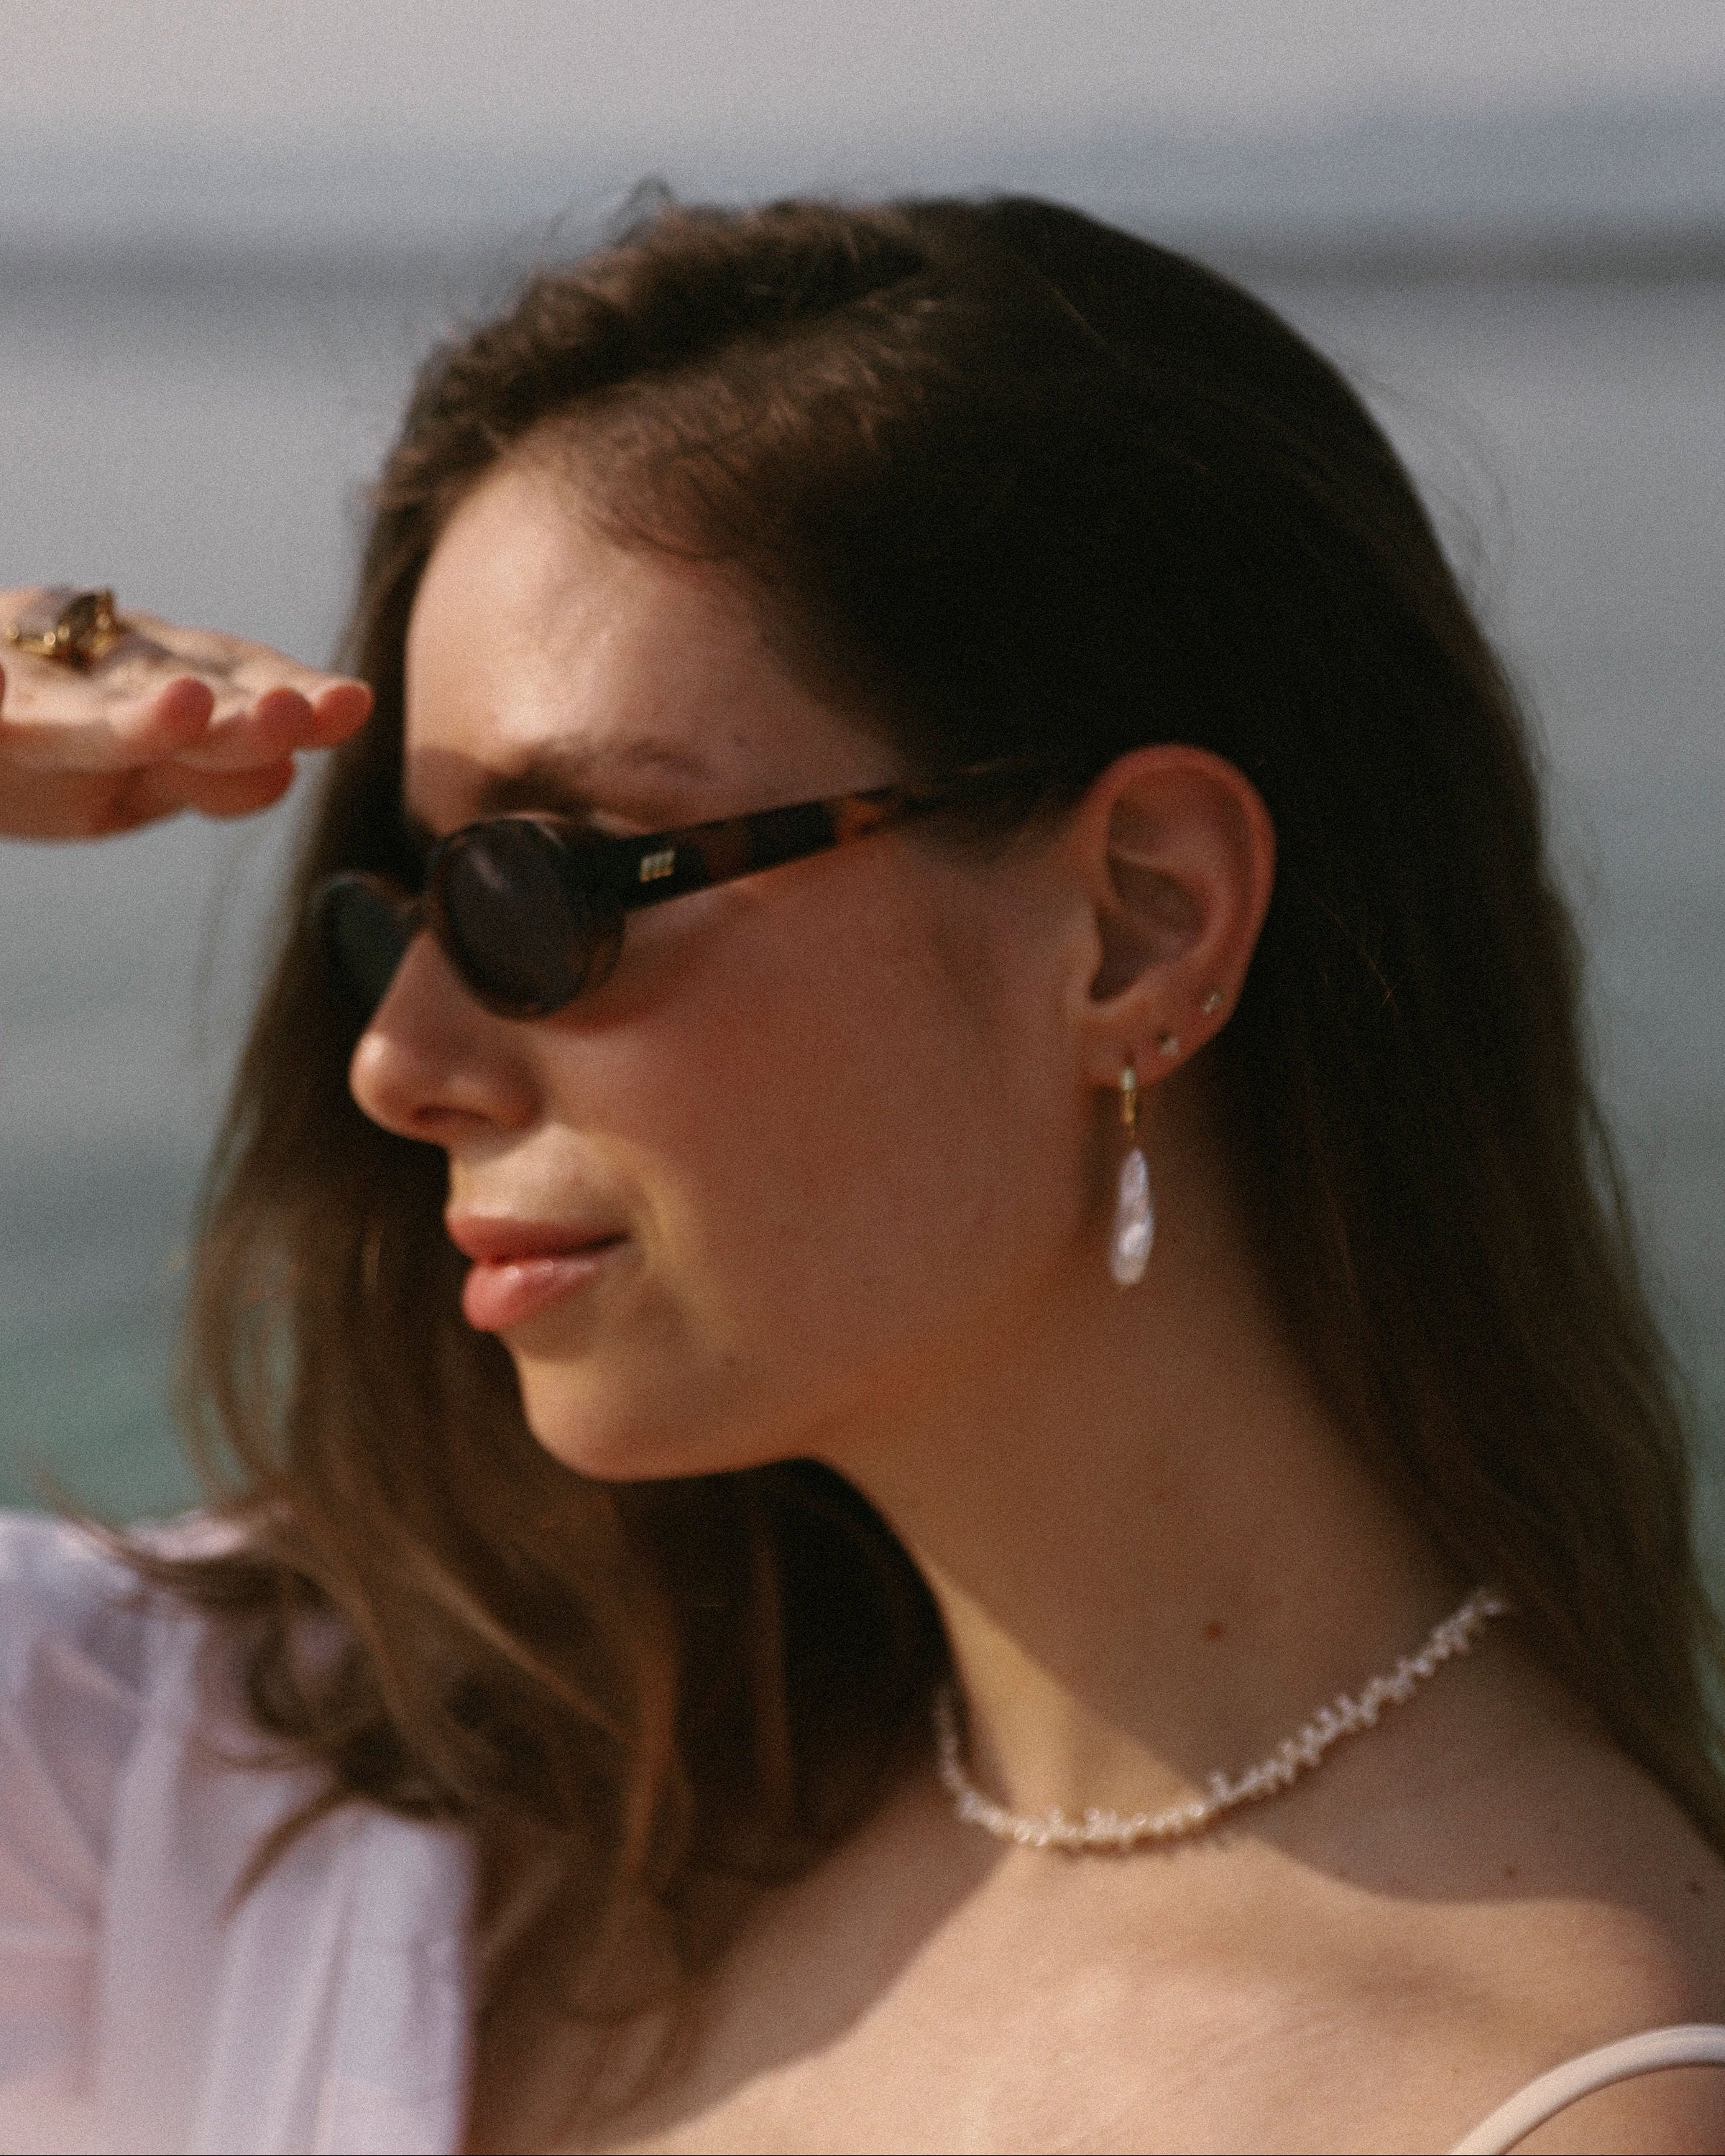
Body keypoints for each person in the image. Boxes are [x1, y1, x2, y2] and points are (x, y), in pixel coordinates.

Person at [1, 196, 1723, 2156]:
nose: (401, 1067)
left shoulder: (1528, 2108)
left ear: (1137, 926)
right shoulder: (366, 1785)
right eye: (406, 911)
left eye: (547, 886)